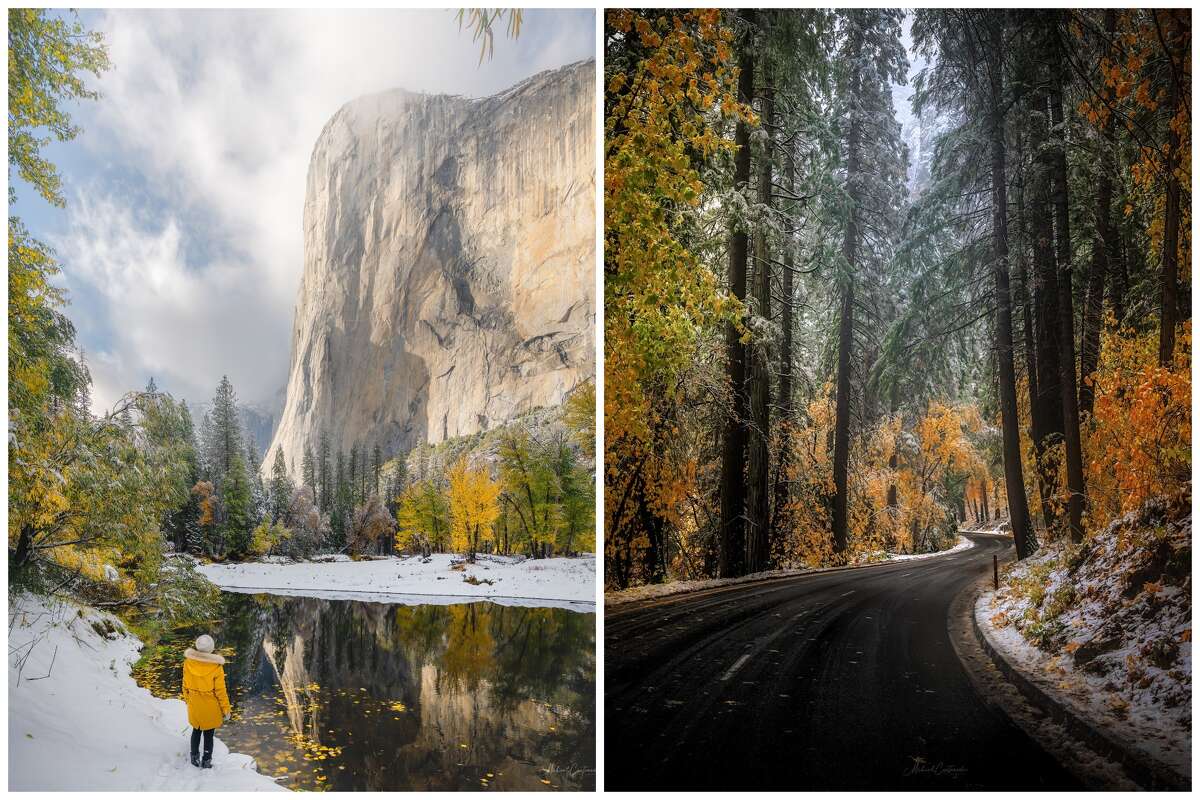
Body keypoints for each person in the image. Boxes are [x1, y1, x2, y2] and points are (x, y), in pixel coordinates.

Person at [182, 634, 231, 768]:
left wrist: (189, 700)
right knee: (209, 735)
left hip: (194, 704)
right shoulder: (216, 667)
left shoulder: (188, 663)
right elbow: (220, 691)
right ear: (211, 649)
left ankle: (194, 757)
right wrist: (226, 709)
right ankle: (206, 760)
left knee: (196, 731)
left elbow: (184, 685)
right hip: (210, 706)